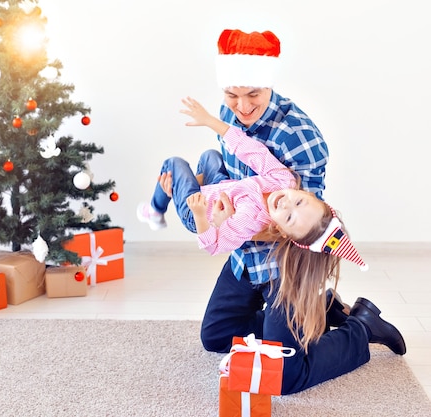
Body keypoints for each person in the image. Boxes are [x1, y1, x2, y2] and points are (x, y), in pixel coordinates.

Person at [142, 28, 406, 395]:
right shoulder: (228, 113)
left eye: (254, 94)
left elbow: (303, 225)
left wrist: (224, 221)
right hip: (246, 255)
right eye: (232, 95)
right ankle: (321, 310)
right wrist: (196, 187)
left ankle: (361, 327)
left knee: (284, 375)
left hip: (286, 264)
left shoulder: (300, 139)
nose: (243, 106)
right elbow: (229, 172)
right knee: (217, 336)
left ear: (268, 85)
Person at [138, 96, 367, 352]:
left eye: (289, 217)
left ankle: (155, 210)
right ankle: (321, 311)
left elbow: (213, 245)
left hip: (199, 212)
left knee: (174, 164)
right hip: (222, 188)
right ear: (305, 193)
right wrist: (210, 122)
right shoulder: (283, 180)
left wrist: (204, 216)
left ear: (281, 230)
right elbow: (248, 149)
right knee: (210, 156)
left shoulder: (250, 219)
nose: (285, 204)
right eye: (299, 202)